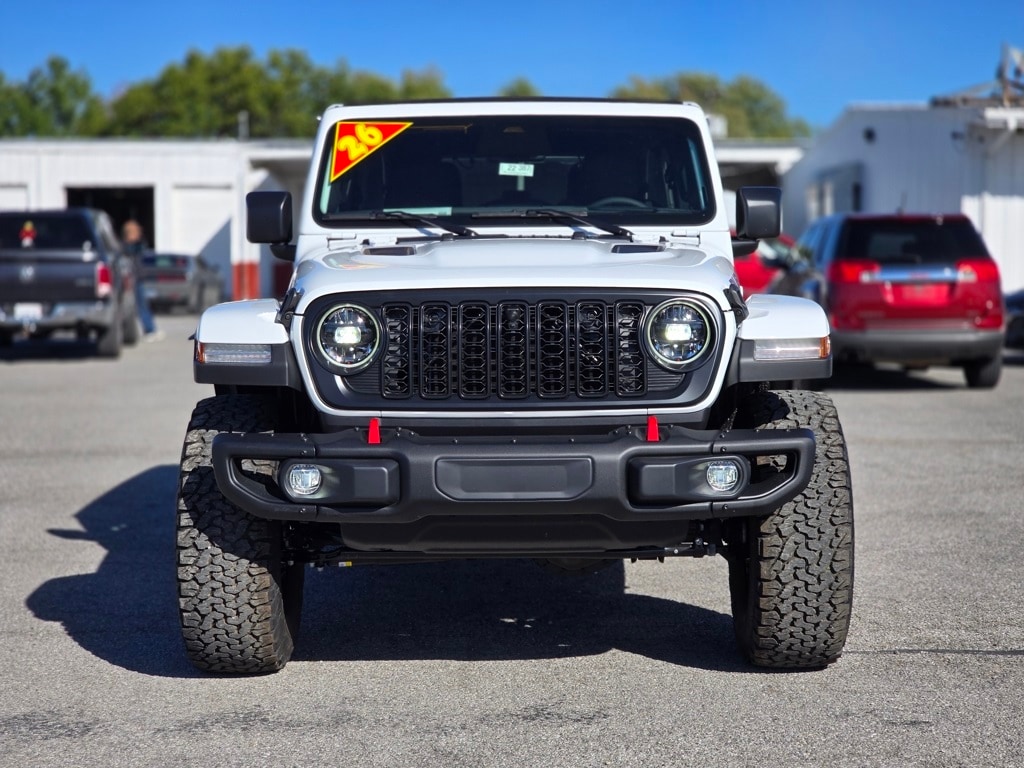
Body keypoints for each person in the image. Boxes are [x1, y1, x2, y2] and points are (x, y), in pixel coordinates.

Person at [121, 219, 163, 342]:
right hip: (131, 280)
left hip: (138, 279)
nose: (138, 234)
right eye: (135, 232)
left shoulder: (137, 247)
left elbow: (142, 245)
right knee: (137, 305)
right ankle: (148, 330)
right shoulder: (126, 247)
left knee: (143, 304)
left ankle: (150, 329)